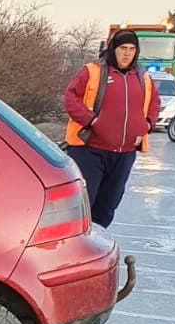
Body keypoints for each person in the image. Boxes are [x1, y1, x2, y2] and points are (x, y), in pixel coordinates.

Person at [63, 30, 159, 228]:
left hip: (124, 154)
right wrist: (92, 120)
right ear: (113, 49)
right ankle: (76, 242)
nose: (127, 54)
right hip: (89, 150)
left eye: (131, 49)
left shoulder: (143, 77)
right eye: (123, 48)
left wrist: (148, 124)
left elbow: (154, 103)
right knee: (82, 205)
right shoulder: (92, 71)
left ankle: (97, 241)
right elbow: (70, 98)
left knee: (107, 206)